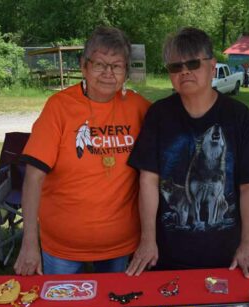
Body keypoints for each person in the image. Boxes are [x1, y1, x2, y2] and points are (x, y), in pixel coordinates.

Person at [126, 27, 249, 279]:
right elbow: (147, 181)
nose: (184, 71)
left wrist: (248, 246)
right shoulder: (159, 115)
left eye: (193, 63)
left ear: (212, 66)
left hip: (229, 258)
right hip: (165, 256)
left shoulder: (239, 117)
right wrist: (148, 240)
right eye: (175, 67)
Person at [14, 27, 150, 276]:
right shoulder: (59, 107)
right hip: (62, 247)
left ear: (126, 72)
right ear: (84, 66)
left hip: (119, 244)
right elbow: (34, 177)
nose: (108, 73)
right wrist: (29, 242)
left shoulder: (138, 107)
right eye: (100, 64)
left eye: (117, 66)